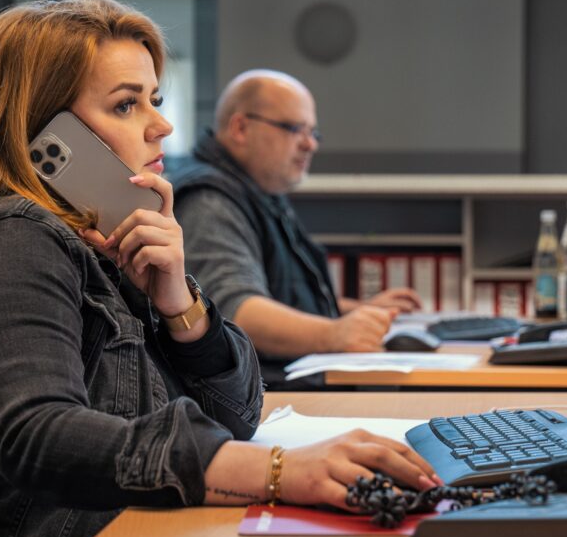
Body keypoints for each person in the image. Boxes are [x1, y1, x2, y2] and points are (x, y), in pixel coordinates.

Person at [0, 0, 440, 537]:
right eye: (128, 105)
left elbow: (238, 415)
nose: (163, 125)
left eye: (153, 99)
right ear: (48, 132)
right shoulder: (10, 244)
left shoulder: (109, 246)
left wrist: (180, 305)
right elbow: (38, 435)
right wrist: (277, 471)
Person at [171, 70, 422, 387]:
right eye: (294, 129)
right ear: (240, 127)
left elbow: (278, 290)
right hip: (269, 403)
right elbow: (235, 312)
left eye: (313, 133)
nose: (310, 144)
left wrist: (351, 310)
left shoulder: (256, 191)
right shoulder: (209, 203)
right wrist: (335, 333)